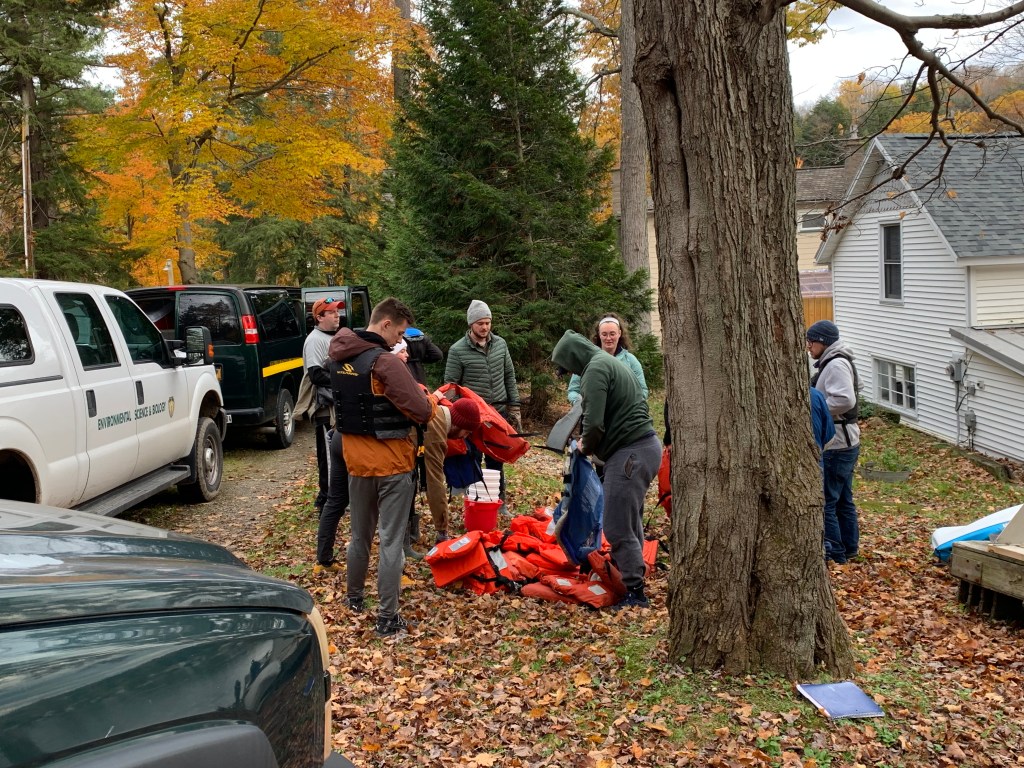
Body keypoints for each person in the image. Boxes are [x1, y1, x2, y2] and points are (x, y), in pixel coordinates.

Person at [329, 297, 434, 637]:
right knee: (390, 541)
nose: (399, 340)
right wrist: (430, 398)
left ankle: (354, 598)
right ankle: (388, 618)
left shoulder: (339, 356)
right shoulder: (384, 362)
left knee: (359, 536)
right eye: (399, 333)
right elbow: (421, 410)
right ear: (386, 324)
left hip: (356, 463)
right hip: (392, 464)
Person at [551, 330, 661, 609]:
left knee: (616, 525)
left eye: (569, 368)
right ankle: (632, 574)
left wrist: (584, 447)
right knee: (630, 520)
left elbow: (594, 422)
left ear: (573, 358)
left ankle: (635, 593)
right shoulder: (606, 362)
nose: (571, 373)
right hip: (643, 448)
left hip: (630, 453)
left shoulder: (595, 369)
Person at [444, 300, 520, 507]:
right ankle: (475, 502)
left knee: (497, 458)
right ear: (471, 324)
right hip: (474, 418)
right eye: (480, 323)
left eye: (487, 323)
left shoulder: (501, 344)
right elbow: (451, 387)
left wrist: (514, 407)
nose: (485, 327)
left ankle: (498, 501)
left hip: (498, 413)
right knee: (473, 459)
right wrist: (460, 417)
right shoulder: (457, 350)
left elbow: (509, 376)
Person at [807, 319, 861, 565]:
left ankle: (837, 554)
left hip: (838, 443)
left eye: (811, 342)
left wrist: (817, 409)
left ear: (823, 342)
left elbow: (845, 400)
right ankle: (849, 548)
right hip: (845, 441)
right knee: (843, 500)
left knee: (828, 501)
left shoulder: (836, 363)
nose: (809, 347)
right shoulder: (836, 361)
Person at [301, 297, 341, 523]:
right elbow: (316, 375)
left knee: (337, 455)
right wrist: (345, 377)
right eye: (332, 312)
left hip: (336, 405)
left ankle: (330, 498)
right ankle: (326, 502)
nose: (337, 315)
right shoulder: (314, 340)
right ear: (319, 317)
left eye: (337, 311)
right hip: (325, 407)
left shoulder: (332, 337)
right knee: (328, 456)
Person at [422, 396, 482, 542]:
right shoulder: (436, 431)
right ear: (458, 424)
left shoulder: (438, 413)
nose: (464, 437)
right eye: (466, 432)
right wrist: (442, 530)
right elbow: (434, 482)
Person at [567, 313, 648, 404]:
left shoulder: (631, 361)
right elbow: (573, 391)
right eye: (604, 334)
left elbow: (642, 392)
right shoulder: (586, 360)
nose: (608, 338)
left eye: (612, 334)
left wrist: (625, 404)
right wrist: (582, 404)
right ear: (599, 334)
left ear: (619, 333)